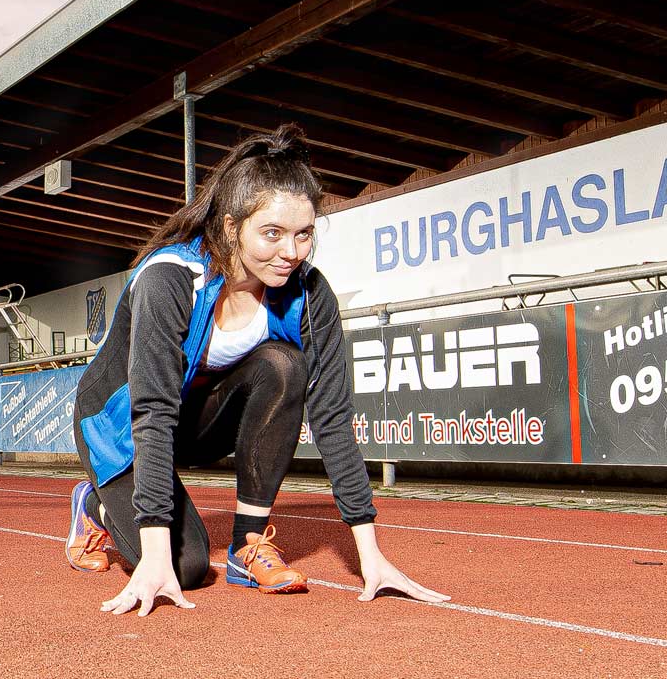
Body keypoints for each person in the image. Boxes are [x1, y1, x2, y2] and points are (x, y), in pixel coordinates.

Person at [65, 125, 447, 615]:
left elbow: (332, 417)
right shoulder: (170, 279)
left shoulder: (307, 294)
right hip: (119, 426)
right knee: (183, 569)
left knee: (285, 364)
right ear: (230, 228)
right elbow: (153, 411)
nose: (291, 252)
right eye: (272, 233)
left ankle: (248, 545)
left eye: (303, 234)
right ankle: (92, 505)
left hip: (196, 421)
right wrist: (155, 550)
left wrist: (370, 555)